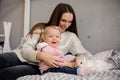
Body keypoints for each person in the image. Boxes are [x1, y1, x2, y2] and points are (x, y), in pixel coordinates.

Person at [0, 3, 93, 80]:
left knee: (9, 73)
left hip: (37, 66)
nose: (66, 25)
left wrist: (78, 60)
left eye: (70, 22)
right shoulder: (41, 28)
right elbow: (25, 48)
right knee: (2, 59)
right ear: (56, 17)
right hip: (20, 56)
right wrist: (41, 55)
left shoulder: (71, 37)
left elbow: (84, 54)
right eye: (63, 20)